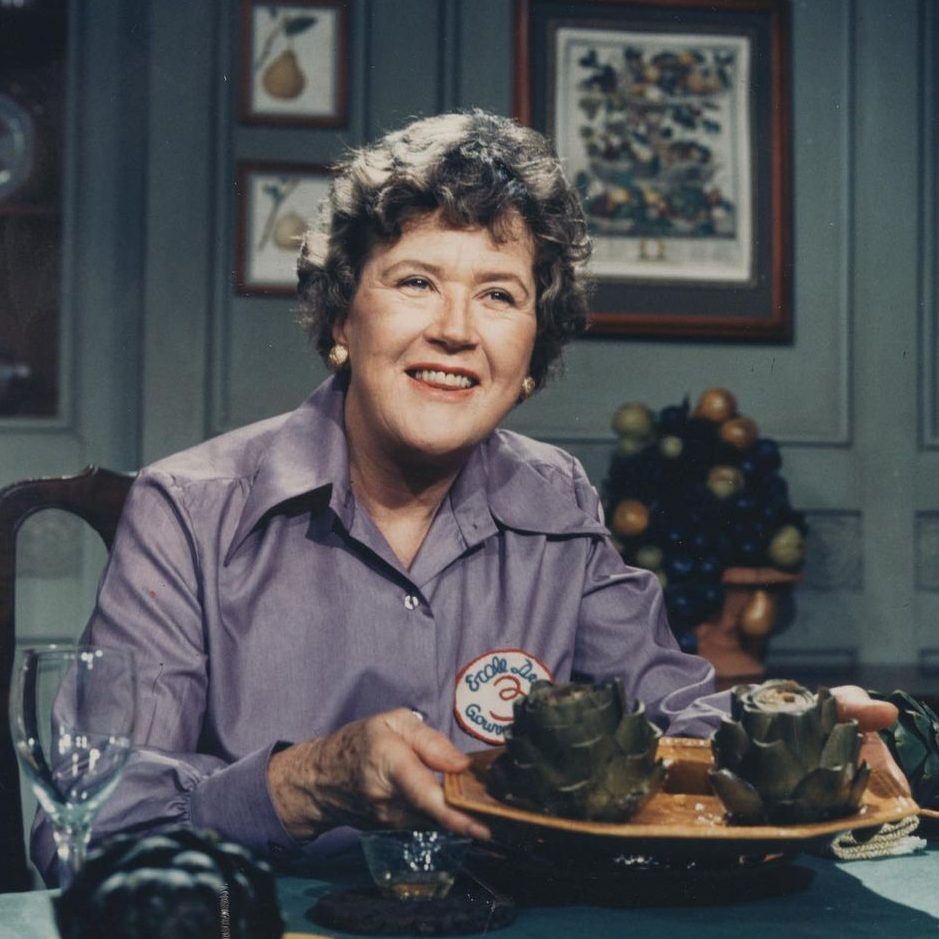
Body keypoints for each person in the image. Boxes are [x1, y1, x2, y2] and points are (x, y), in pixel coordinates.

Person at [32, 110, 901, 882]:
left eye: (497, 295)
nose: (454, 329)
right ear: (340, 318)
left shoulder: (557, 497)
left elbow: (674, 716)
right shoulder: (187, 509)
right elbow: (87, 825)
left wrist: (799, 737)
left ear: (530, 360)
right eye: (415, 281)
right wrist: (306, 781)